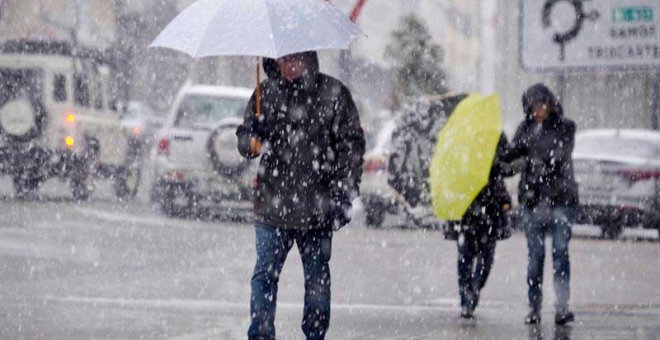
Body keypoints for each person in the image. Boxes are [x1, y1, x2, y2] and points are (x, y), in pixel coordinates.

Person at [236, 51, 365, 340]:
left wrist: (343, 193)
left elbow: (351, 148)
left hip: (318, 208)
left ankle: (315, 335)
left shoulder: (333, 94)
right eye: (283, 58)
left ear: (308, 58)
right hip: (272, 204)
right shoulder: (265, 94)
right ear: (274, 59)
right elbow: (245, 142)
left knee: (317, 281)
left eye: (296, 58)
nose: (289, 64)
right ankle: (261, 334)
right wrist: (252, 139)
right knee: (264, 276)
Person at [506, 83, 579, 325]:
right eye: (533, 106)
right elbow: (510, 156)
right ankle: (534, 306)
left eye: (542, 105)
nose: (538, 110)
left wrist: (532, 156)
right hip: (532, 200)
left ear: (550, 104)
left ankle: (561, 307)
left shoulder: (565, 127)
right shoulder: (524, 129)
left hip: (560, 199)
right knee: (535, 256)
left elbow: (559, 156)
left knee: (560, 253)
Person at [445, 134, 515, 319]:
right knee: (465, 255)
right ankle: (465, 299)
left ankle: (474, 289)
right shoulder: (461, 135)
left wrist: (494, 164)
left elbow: (508, 166)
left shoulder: (496, 135)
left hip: (490, 202)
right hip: (467, 201)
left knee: (486, 257)